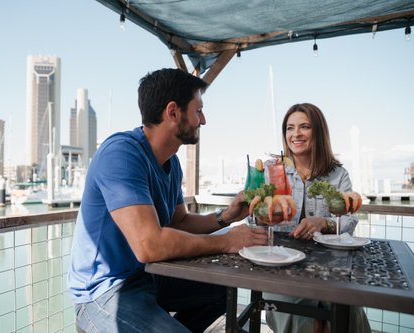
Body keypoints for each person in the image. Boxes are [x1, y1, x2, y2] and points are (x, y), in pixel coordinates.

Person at [68, 68, 267, 333]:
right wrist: (227, 241)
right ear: (173, 112)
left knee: (218, 288)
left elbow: (179, 221)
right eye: (198, 111)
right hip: (105, 290)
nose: (203, 120)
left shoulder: (171, 162)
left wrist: (225, 217)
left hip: (149, 275)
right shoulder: (121, 154)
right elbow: (149, 245)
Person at [265, 103, 371, 333]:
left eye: (305, 127)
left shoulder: (338, 174)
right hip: (281, 265)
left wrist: (325, 223)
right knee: (306, 321)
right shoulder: (273, 170)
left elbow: (350, 222)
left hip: (331, 265)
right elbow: (255, 217)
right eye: (290, 128)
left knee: (346, 313)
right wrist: (265, 215)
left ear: (318, 132)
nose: (296, 134)